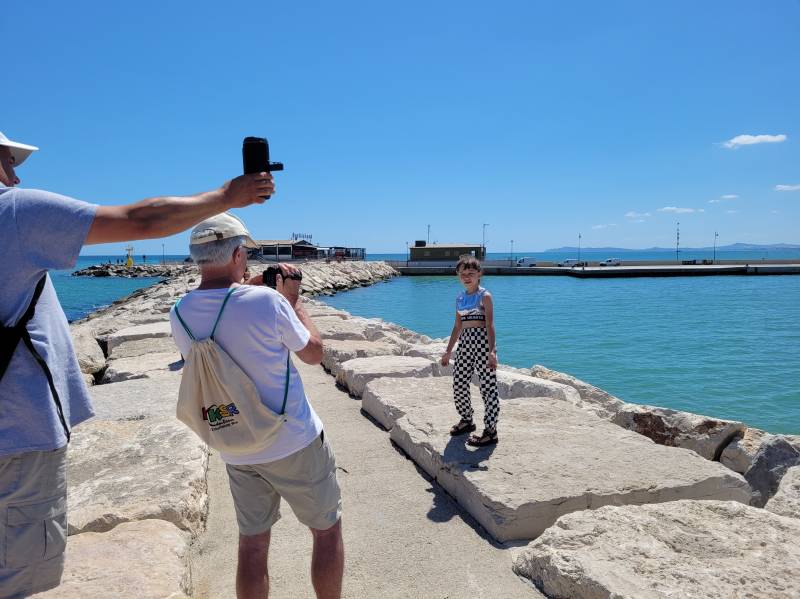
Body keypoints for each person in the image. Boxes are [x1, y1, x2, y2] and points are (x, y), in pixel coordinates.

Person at [0, 129, 275, 598]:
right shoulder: (13, 212)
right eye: (8, 160)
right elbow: (141, 219)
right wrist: (227, 196)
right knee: (18, 579)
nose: (16, 174)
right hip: (18, 434)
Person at [169, 214, 343, 599]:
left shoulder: (179, 312)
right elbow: (313, 353)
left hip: (236, 444)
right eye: (244, 253)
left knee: (252, 544)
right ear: (236, 254)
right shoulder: (269, 301)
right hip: (294, 440)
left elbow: (222, 320)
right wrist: (294, 301)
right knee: (326, 531)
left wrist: (244, 287)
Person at [440, 256, 500, 446]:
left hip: (482, 343)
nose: (466, 277)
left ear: (479, 274)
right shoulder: (460, 298)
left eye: (471, 273)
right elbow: (457, 326)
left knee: (487, 387)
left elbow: (490, 324)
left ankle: (490, 431)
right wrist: (448, 351)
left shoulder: (485, 296)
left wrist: (492, 351)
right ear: (458, 275)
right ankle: (467, 420)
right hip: (465, 344)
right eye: (463, 274)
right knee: (459, 383)